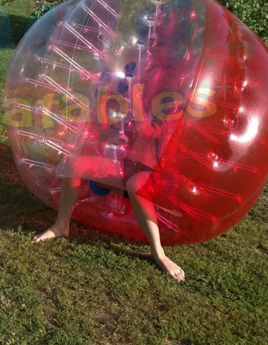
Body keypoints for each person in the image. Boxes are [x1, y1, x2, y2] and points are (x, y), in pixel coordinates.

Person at [32, 90, 186, 282]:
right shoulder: (127, 94)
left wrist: (137, 97)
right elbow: (106, 134)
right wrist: (103, 101)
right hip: (122, 164)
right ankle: (61, 226)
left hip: (151, 172)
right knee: (74, 164)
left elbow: (147, 132)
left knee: (135, 184)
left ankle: (158, 252)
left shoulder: (170, 100)